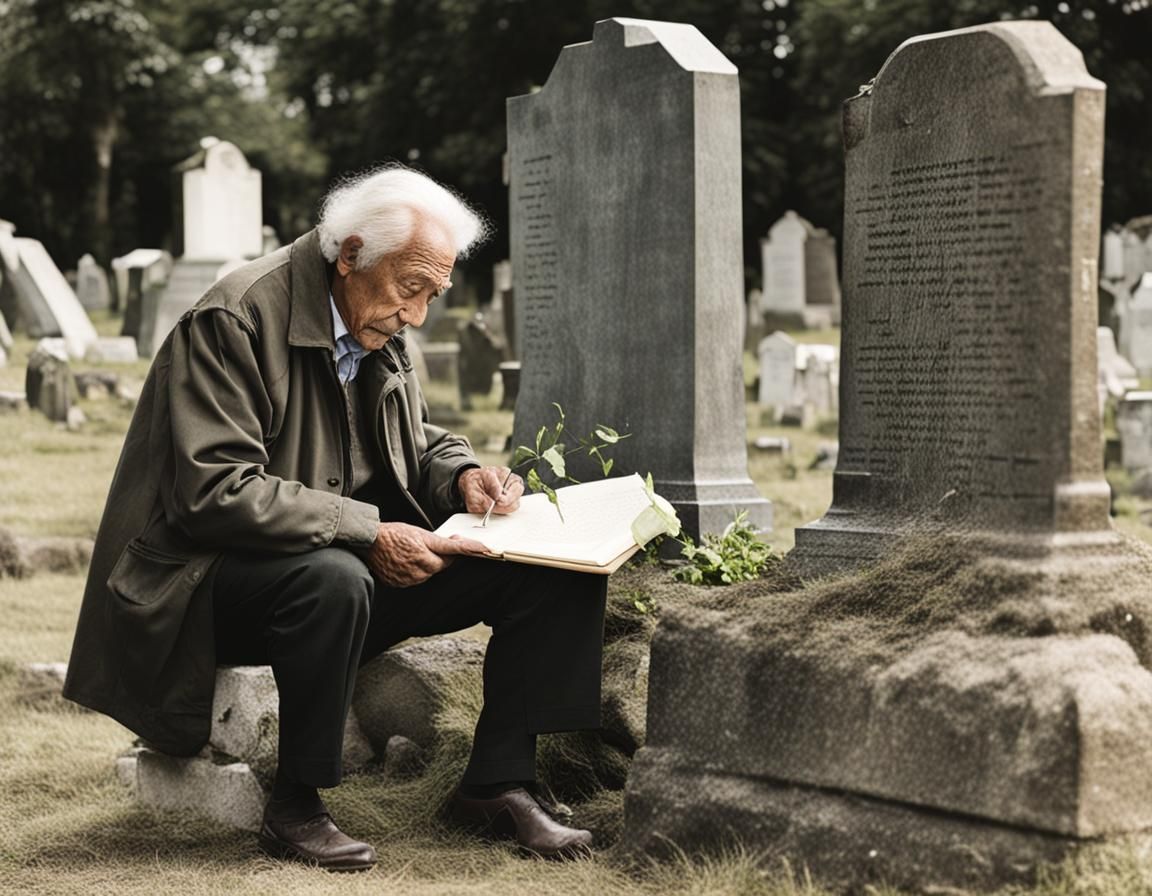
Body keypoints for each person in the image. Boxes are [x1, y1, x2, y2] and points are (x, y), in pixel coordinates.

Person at [63, 165, 608, 870]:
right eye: (410, 289)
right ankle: (296, 805)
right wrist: (367, 530)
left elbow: (409, 441)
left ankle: (498, 783)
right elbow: (216, 490)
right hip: (200, 591)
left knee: (545, 564)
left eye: (431, 296)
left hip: (327, 568)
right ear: (349, 254)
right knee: (334, 576)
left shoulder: (376, 321)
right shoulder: (234, 318)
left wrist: (464, 475)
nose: (417, 315)